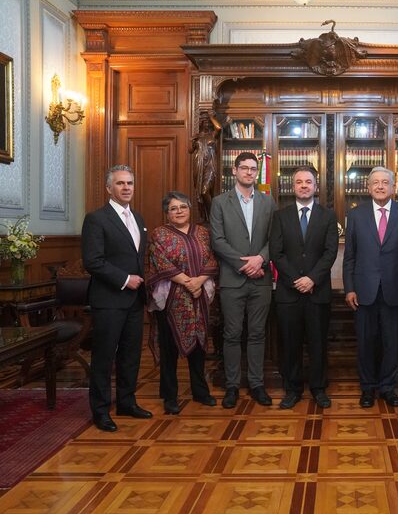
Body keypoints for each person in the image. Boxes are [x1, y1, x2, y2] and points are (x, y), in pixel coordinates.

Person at [81, 164, 151, 432]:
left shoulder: (139, 219)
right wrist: (125, 279)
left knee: (131, 356)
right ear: (109, 188)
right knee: (104, 357)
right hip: (109, 299)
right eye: (120, 183)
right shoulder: (96, 219)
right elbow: (93, 261)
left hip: (135, 301)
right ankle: (100, 411)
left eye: (130, 183)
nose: (126, 187)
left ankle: (126, 402)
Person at [343, 166, 398, 408]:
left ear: (393, 187)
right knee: (366, 342)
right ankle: (367, 388)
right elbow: (350, 257)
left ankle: (387, 387)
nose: (380, 186)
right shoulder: (356, 215)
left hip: (395, 290)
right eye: (375, 182)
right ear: (368, 188)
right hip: (363, 291)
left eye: (385, 182)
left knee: (392, 342)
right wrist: (349, 288)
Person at [210, 151, 277, 409]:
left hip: (261, 279)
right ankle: (232, 386)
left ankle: (257, 384)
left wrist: (260, 259)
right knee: (232, 334)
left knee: (258, 333)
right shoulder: (220, 202)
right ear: (234, 171)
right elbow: (217, 241)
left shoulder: (268, 201)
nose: (249, 172)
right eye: (244, 168)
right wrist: (245, 265)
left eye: (253, 169)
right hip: (232, 279)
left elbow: (275, 238)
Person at [270, 167, 339, 409]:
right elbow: (276, 252)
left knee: (318, 343)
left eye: (308, 182)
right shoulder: (280, 216)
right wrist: (296, 280)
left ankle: (319, 389)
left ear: (315, 186)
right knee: (290, 344)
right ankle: (293, 390)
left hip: (317, 292)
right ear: (293, 187)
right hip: (289, 293)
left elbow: (330, 252)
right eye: (299, 182)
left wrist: (312, 279)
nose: (303, 186)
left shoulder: (328, 216)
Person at [146, 192, 218, 415]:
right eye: (173, 208)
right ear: (167, 213)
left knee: (199, 346)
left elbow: (212, 259)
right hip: (170, 299)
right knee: (169, 349)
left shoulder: (203, 233)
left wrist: (199, 281)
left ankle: (200, 392)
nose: (179, 211)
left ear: (189, 209)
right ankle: (170, 396)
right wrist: (188, 282)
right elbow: (160, 262)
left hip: (199, 298)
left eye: (183, 207)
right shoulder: (159, 234)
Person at [191, 110, 222, 223]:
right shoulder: (198, 137)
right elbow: (190, 150)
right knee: (199, 192)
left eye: (209, 123)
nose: (207, 124)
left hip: (210, 165)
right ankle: (203, 216)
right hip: (199, 165)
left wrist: (211, 117)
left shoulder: (213, 134)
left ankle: (212, 215)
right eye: (205, 122)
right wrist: (192, 140)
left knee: (205, 191)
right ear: (201, 124)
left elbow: (219, 128)